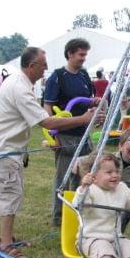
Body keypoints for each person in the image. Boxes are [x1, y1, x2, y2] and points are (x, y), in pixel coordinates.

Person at [0, 46, 103, 258]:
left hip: (8, 149)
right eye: (43, 65)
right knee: (8, 195)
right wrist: (83, 119)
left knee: (13, 192)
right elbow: (46, 121)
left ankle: (8, 237)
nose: (45, 69)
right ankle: (4, 244)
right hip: (3, 150)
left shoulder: (21, 83)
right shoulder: (20, 87)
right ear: (31, 66)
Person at [44, 38, 96, 227]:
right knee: (64, 177)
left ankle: (79, 212)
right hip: (65, 135)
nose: (84, 58)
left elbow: (88, 99)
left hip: (83, 134)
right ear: (70, 54)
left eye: (85, 54)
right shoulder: (57, 77)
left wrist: (95, 103)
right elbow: (47, 107)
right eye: (81, 54)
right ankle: (59, 218)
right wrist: (52, 134)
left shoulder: (83, 75)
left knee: (83, 175)